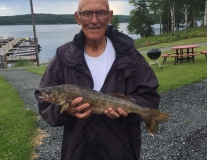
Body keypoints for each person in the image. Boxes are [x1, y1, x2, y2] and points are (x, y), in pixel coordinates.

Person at [34, 0, 160, 159]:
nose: (94, 20)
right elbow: (44, 103)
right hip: (78, 152)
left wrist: (129, 111)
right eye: (87, 13)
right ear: (77, 18)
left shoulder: (129, 55)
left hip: (120, 152)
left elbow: (150, 96)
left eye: (100, 13)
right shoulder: (63, 56)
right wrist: (67, 111)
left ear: (110, 16)